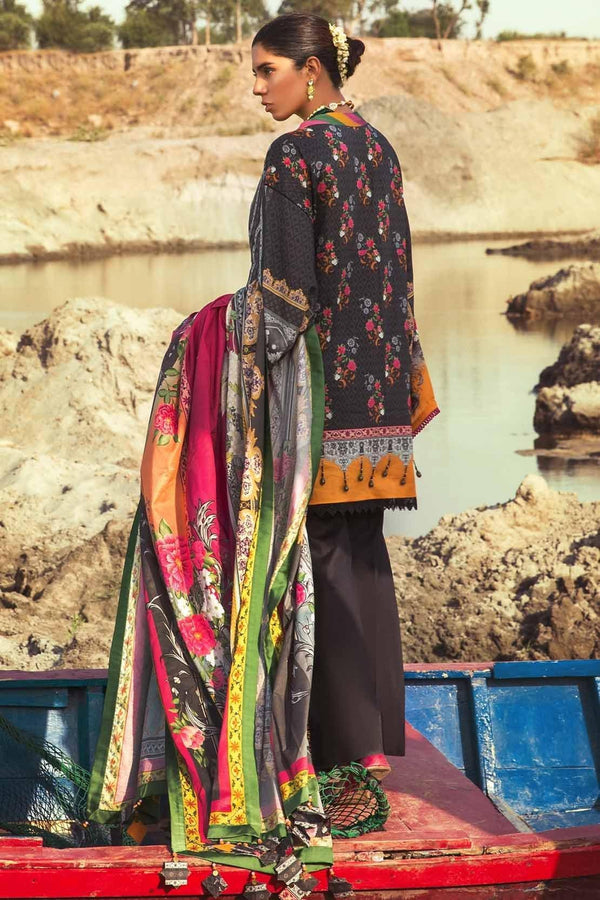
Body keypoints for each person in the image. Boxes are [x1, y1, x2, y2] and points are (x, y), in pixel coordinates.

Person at [87, 12, 438, 876]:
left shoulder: (296, 155)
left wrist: (205, 330)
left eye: (266, 70)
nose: (255, 88)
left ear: (311, 72)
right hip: (377, 394)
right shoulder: (377, 146)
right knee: (358, 560)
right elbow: (392, 274)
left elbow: (282, 301)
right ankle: (367, 757)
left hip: (316, 400)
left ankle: (342, 768)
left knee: (309, 571)